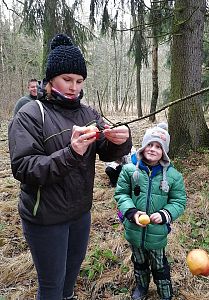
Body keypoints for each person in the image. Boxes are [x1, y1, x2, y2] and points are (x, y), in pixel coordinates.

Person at [8, 33, 132, 300]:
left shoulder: (88, 114)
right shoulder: (31, 114)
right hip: (45, 218)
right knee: (51, 287)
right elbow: (24, 168)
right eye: (67, 79)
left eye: (79, 81)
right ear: (50, 80)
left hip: (80, 214)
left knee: (68, 283)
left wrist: (122, 140)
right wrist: (72, 152)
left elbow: (105, 151)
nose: (74, 87)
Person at [114, 123, 186, 300]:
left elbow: (179, 201)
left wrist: (164, 214)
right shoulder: (130, 170)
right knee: (139, 262)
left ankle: (165, 293)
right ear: (143, 146)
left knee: (159, 265)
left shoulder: (173, 176)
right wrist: (131, 212)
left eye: (158, 147)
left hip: (157, 233)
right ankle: (142, 287)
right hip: (134, 229)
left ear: (164, 152)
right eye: (150, 144)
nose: (153, 149)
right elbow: (121, 194)